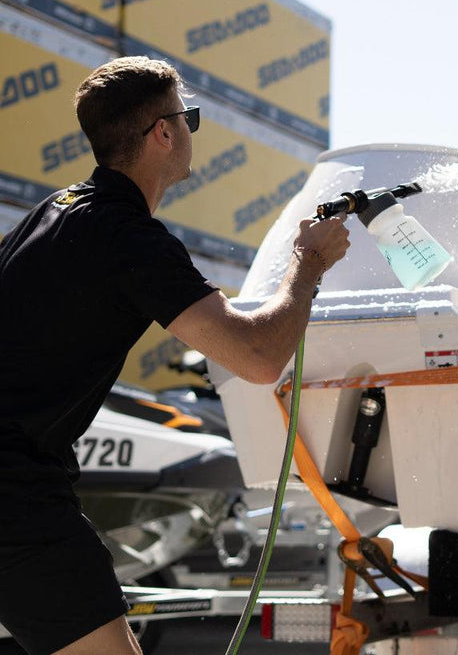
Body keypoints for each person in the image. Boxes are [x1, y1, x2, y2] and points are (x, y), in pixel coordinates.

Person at [0, 56, 349, 655]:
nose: (190, 129)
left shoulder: (55, 211)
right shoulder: (128, 237)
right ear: (163, 133)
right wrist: (308, 264)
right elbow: (260, 355)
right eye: (188, 117)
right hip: (15, 495)